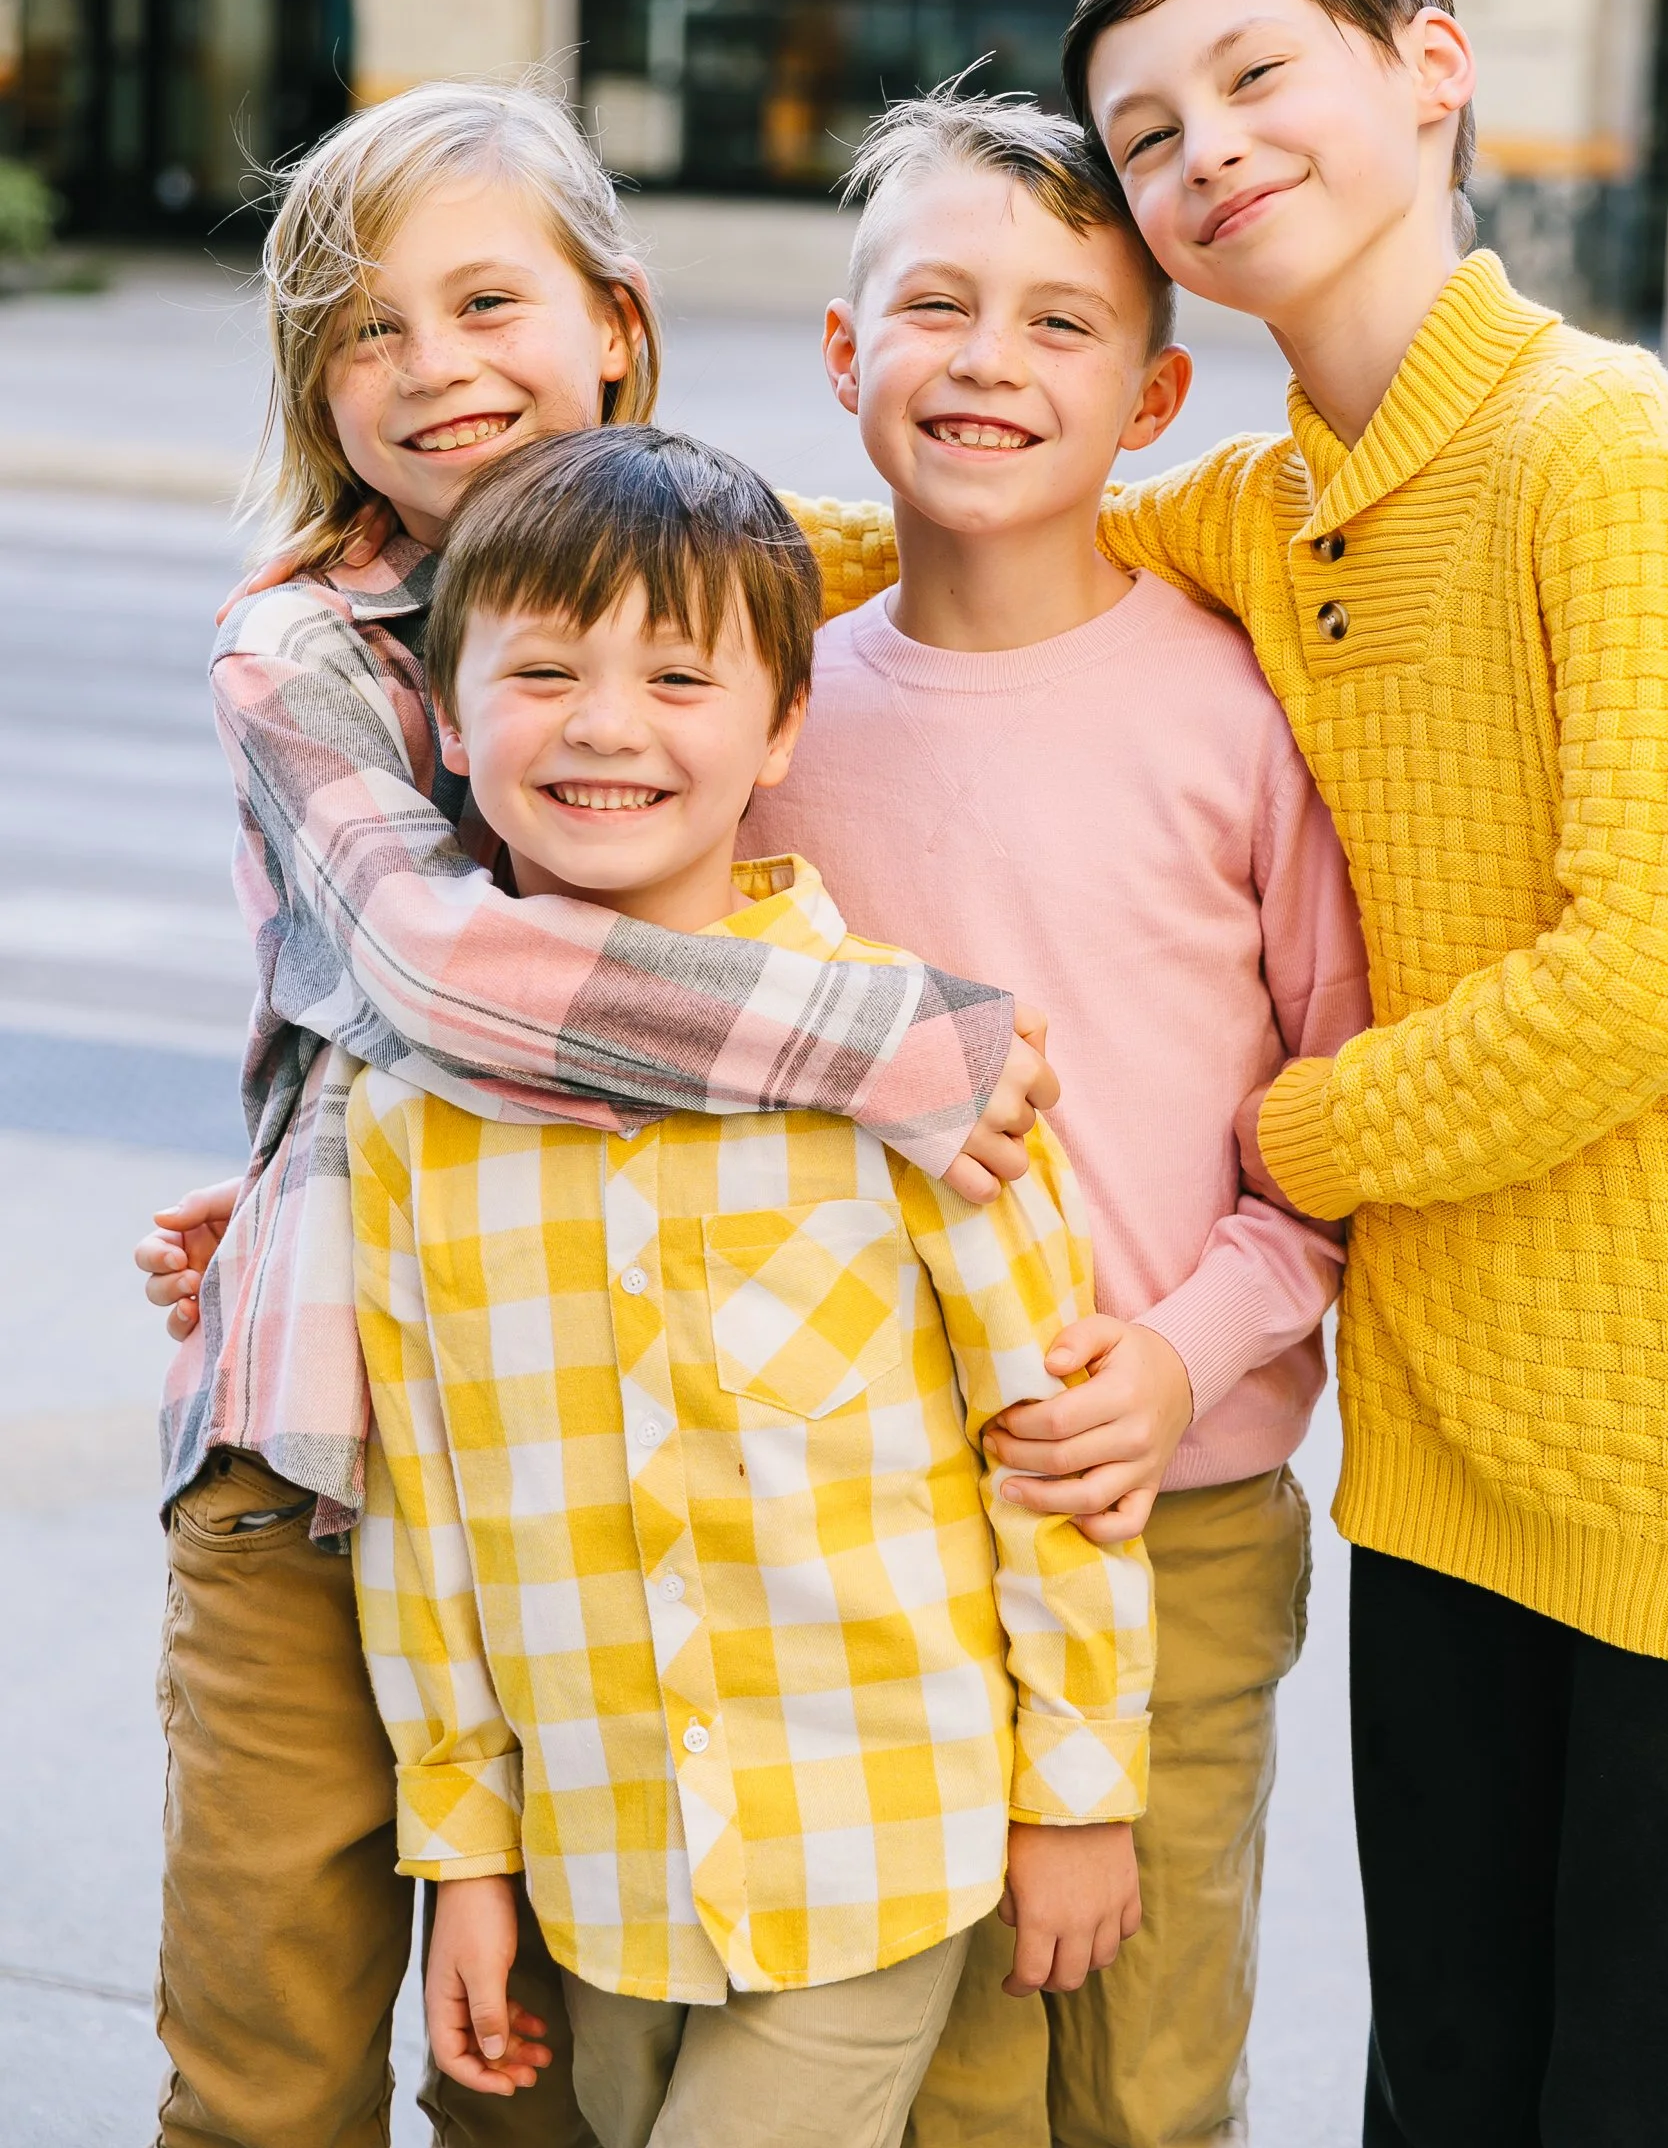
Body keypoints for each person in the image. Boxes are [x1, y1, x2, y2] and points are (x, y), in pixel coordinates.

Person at [133, 84, 1054, 2148]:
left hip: (611, 1498)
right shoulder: (307, 640)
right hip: (320, 1444)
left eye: (484, 301)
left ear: (614, 323)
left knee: (533, 2087)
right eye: (366, 332)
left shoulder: (736, 570)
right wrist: (891, 1043)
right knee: (267, 2065)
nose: (434, 366)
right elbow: (447, 971)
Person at [1051, 0, 1668, 2148]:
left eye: (1251, 74)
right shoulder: (1266, 505)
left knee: (1643, 2094)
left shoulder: (1595, 449)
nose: (1201, 148)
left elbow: (1656, 967)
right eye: (1142, 134)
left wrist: (1293, 1140)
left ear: (1428, 68)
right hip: (1435, 1431)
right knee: (1442, 2080)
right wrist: (547, 529)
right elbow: (975, 506)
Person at [350, 421, 1154, 2148]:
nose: (606, 724)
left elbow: (1049, 1446)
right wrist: (466, 1859)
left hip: (874, 1833)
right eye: (543, 669)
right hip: (599, 1861)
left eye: (679, 675)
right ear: (453, 712)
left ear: (783, 724)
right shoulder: (413, 1117)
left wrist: (1079, 1787)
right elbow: (426, 1513)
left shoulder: (923, 1060)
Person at [735, 90, 1370, 2148]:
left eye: (1060, 325)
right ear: (847, 358)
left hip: (1163, 1516)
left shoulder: (1228, 708)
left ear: (1154, 392)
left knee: (1139, 2078)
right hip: (862, 1550)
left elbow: (1331, 1123)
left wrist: (1183, 1351)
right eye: (934, 306)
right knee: (942, 2090)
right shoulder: (768, 721)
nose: (988, 361)